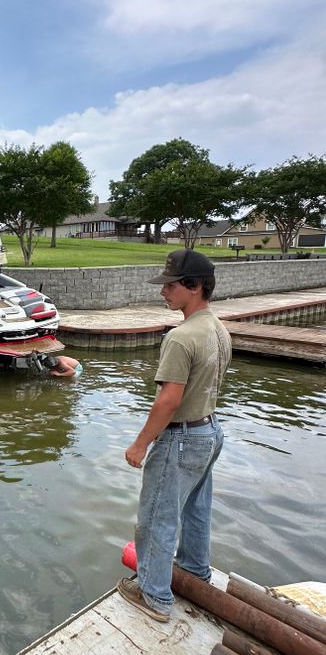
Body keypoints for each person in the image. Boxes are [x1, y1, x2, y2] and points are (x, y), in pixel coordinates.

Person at [118, 249, 232, 623]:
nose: (163, 292)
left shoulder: (181, 337)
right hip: (210, 431)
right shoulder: (218, 328)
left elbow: (169, 400)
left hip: (181, 438)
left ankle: (154, 595)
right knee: (196, 510)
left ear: (195, 286)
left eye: (170, 285)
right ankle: (196, 572)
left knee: (155, 517)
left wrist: (140, 444)